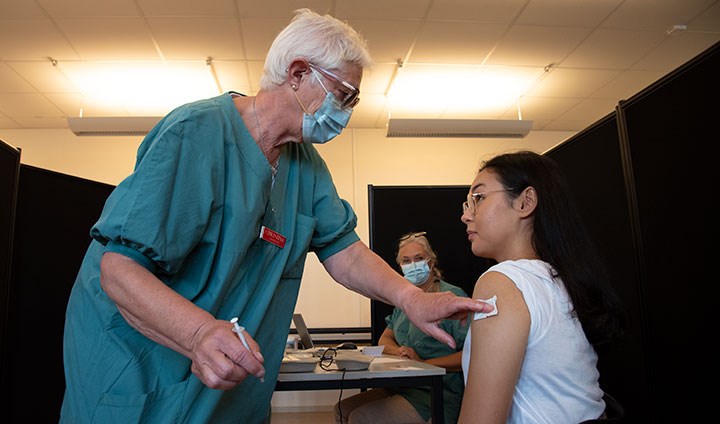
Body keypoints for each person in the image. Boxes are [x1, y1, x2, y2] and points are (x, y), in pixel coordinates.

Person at [60, 8, 493, 424]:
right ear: (299, 73)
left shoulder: (305, 166)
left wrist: (411, 298)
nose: (347, 112)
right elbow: (118, 270)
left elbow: (345, 251)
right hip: (139, 360)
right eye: (344, 95)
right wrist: (196, 334)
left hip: (227, 375)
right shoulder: (195, 133)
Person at [457, 151, 624, 424]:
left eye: (478, 198)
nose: (466, 215)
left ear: (526, 202)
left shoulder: (501, 281)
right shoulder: (561, 279)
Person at [334, 231, 469, 424]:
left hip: (436, 392)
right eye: (406, 261)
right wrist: (401, 351)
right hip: (402, 385)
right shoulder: (405, 301)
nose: (413, 265)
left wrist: (422, 363)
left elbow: (469, 355)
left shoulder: (450, 298)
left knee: (360, 418)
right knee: (342, 409)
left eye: (419, 259)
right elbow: (384, 340)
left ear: (431, 262)